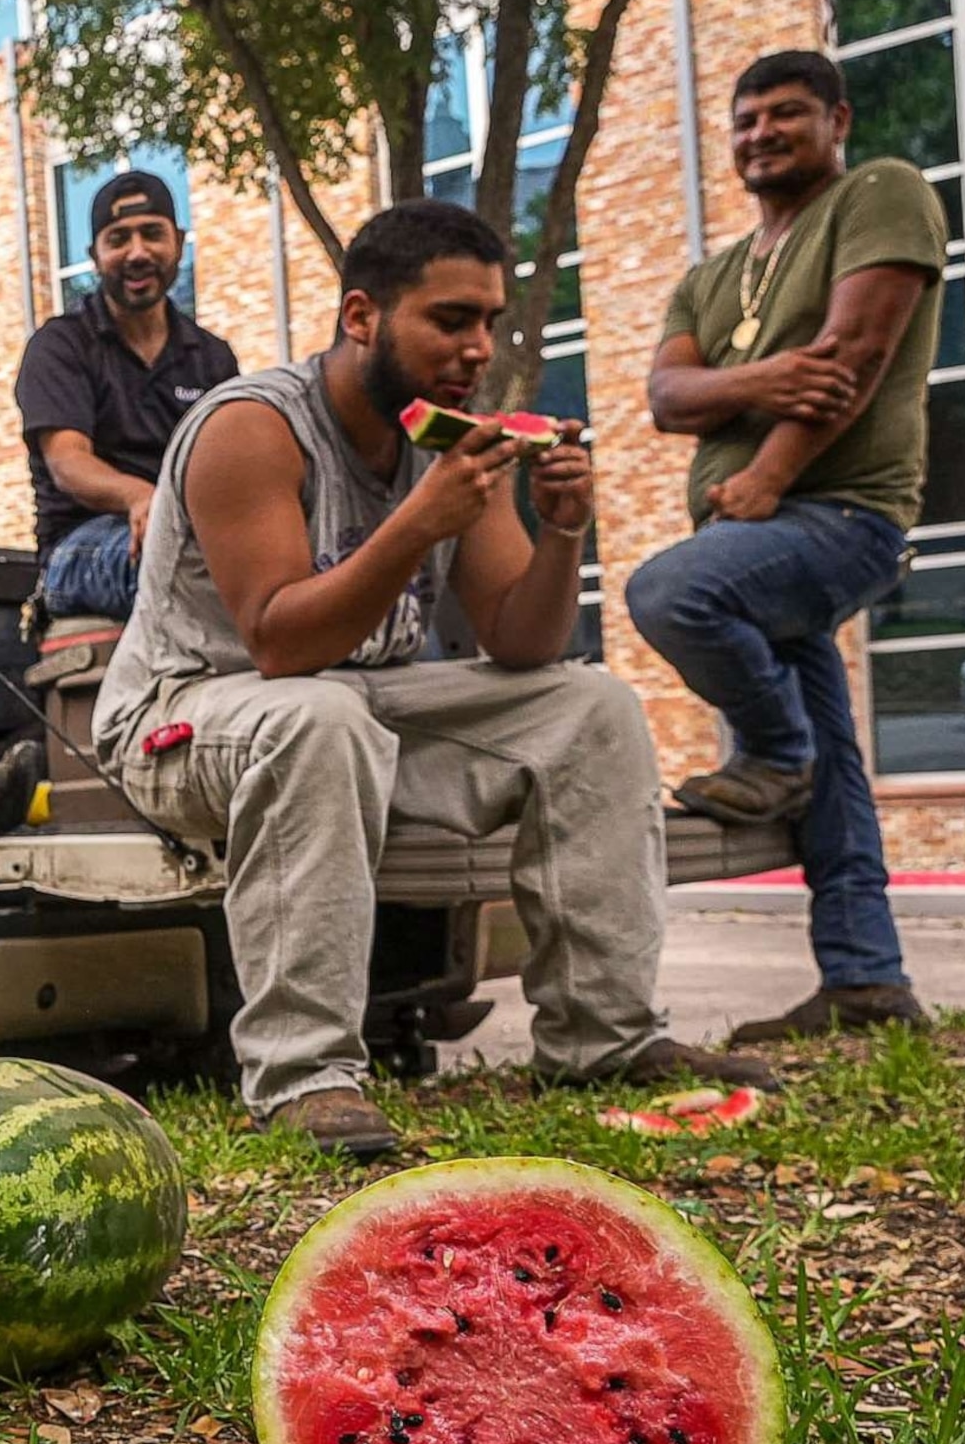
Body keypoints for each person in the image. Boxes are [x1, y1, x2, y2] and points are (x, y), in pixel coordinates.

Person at [92, 200, 778, 1155]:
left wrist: (562, 531)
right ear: (363, 315)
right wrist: (417, 522)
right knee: (316, 715)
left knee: (592, 706)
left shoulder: (449, 440)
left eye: (489, 323)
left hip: (350, 707)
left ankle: (603, 1038)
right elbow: (278, 643)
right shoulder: (253, 428)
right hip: (182, 716)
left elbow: (521, 641)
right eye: (450, 320)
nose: (476, 348)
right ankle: (305, 1077)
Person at [630, 49, 946, 1045]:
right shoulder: (712, 276)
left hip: (841, 513)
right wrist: (766, 380)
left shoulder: (881, 195)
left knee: (668, 594)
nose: (761, 132)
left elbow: (853, 357)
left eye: (787, 114)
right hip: (760, 539)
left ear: (836, 117)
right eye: (747, 119)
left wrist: (765, 474)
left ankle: (772, 748)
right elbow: (666, 396)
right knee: (837, 765)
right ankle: (866, 977)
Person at [15, 170, 239, 620]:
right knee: (181, 564)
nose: (137, 252)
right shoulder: (61, 346)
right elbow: (68, 462)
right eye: (118, 239)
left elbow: (232, 467)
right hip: (79, 548)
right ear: (94, 257)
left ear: (177, 241)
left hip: (189, 530)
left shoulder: (212, 357)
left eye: (152, 234)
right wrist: (140, 497)